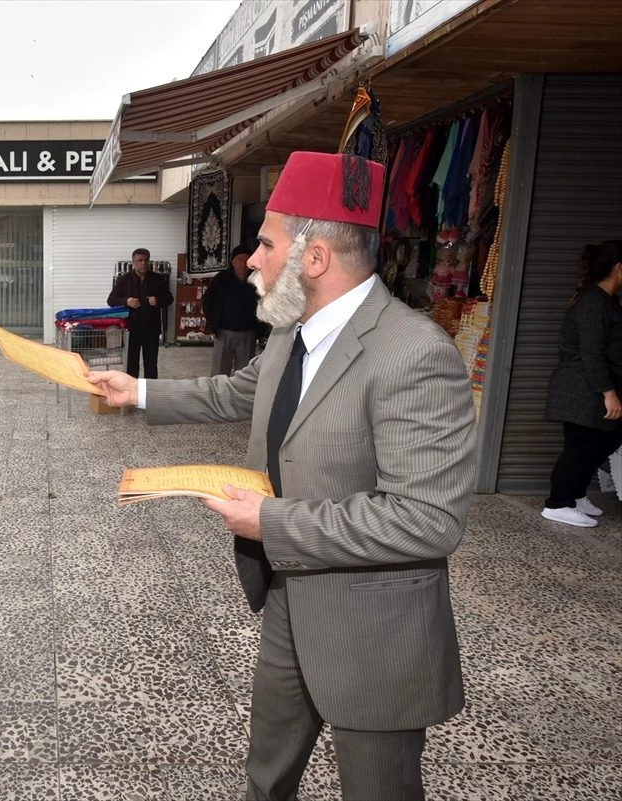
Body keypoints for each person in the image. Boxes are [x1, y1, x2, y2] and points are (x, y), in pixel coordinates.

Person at [89, 152, 476, 801]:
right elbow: (233, 393)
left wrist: (270, 521)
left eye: (266, 244)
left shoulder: (415, 355)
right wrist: (138, 392)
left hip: (373, 630)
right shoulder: (291, 334)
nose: (253, 260)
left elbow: (429, 519)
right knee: (266, 779)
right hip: (289, 600)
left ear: (315, 257)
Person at [541, 239, 622, 527]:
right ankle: (558, 503)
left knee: (603, 441)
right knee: (579, 447)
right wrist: (609, 393)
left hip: (592, 389)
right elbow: (591, 352)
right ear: (618, 268)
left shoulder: (606, 301)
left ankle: (574, 495)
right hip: (582, 390)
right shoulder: (592, 303)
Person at [107, 247, 173, 379]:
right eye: (140, 260)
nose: (143, 263)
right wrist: (126, 301)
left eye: (146, 260)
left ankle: (150, 392)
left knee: (151, 364)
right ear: (133, 262)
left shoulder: (158, 279)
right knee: (131, 364)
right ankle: (132, 391)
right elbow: (111, 300)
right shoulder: (124, 280)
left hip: (151, 329)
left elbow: (169, 299)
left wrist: (158, 300)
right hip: (131, 329)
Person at [201, 245, 264, 375]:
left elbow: (264, 302)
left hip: (247, 332)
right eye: (240, 259)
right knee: (219, 370)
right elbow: (207, 300)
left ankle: (240, 396)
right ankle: (218, 394)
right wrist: (212, 321)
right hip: (224, 331)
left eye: (246, 260)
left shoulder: (257, 279)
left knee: (244, 372)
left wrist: (261, 329)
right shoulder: (222, 278)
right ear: (233, 262)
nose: (243, 263)